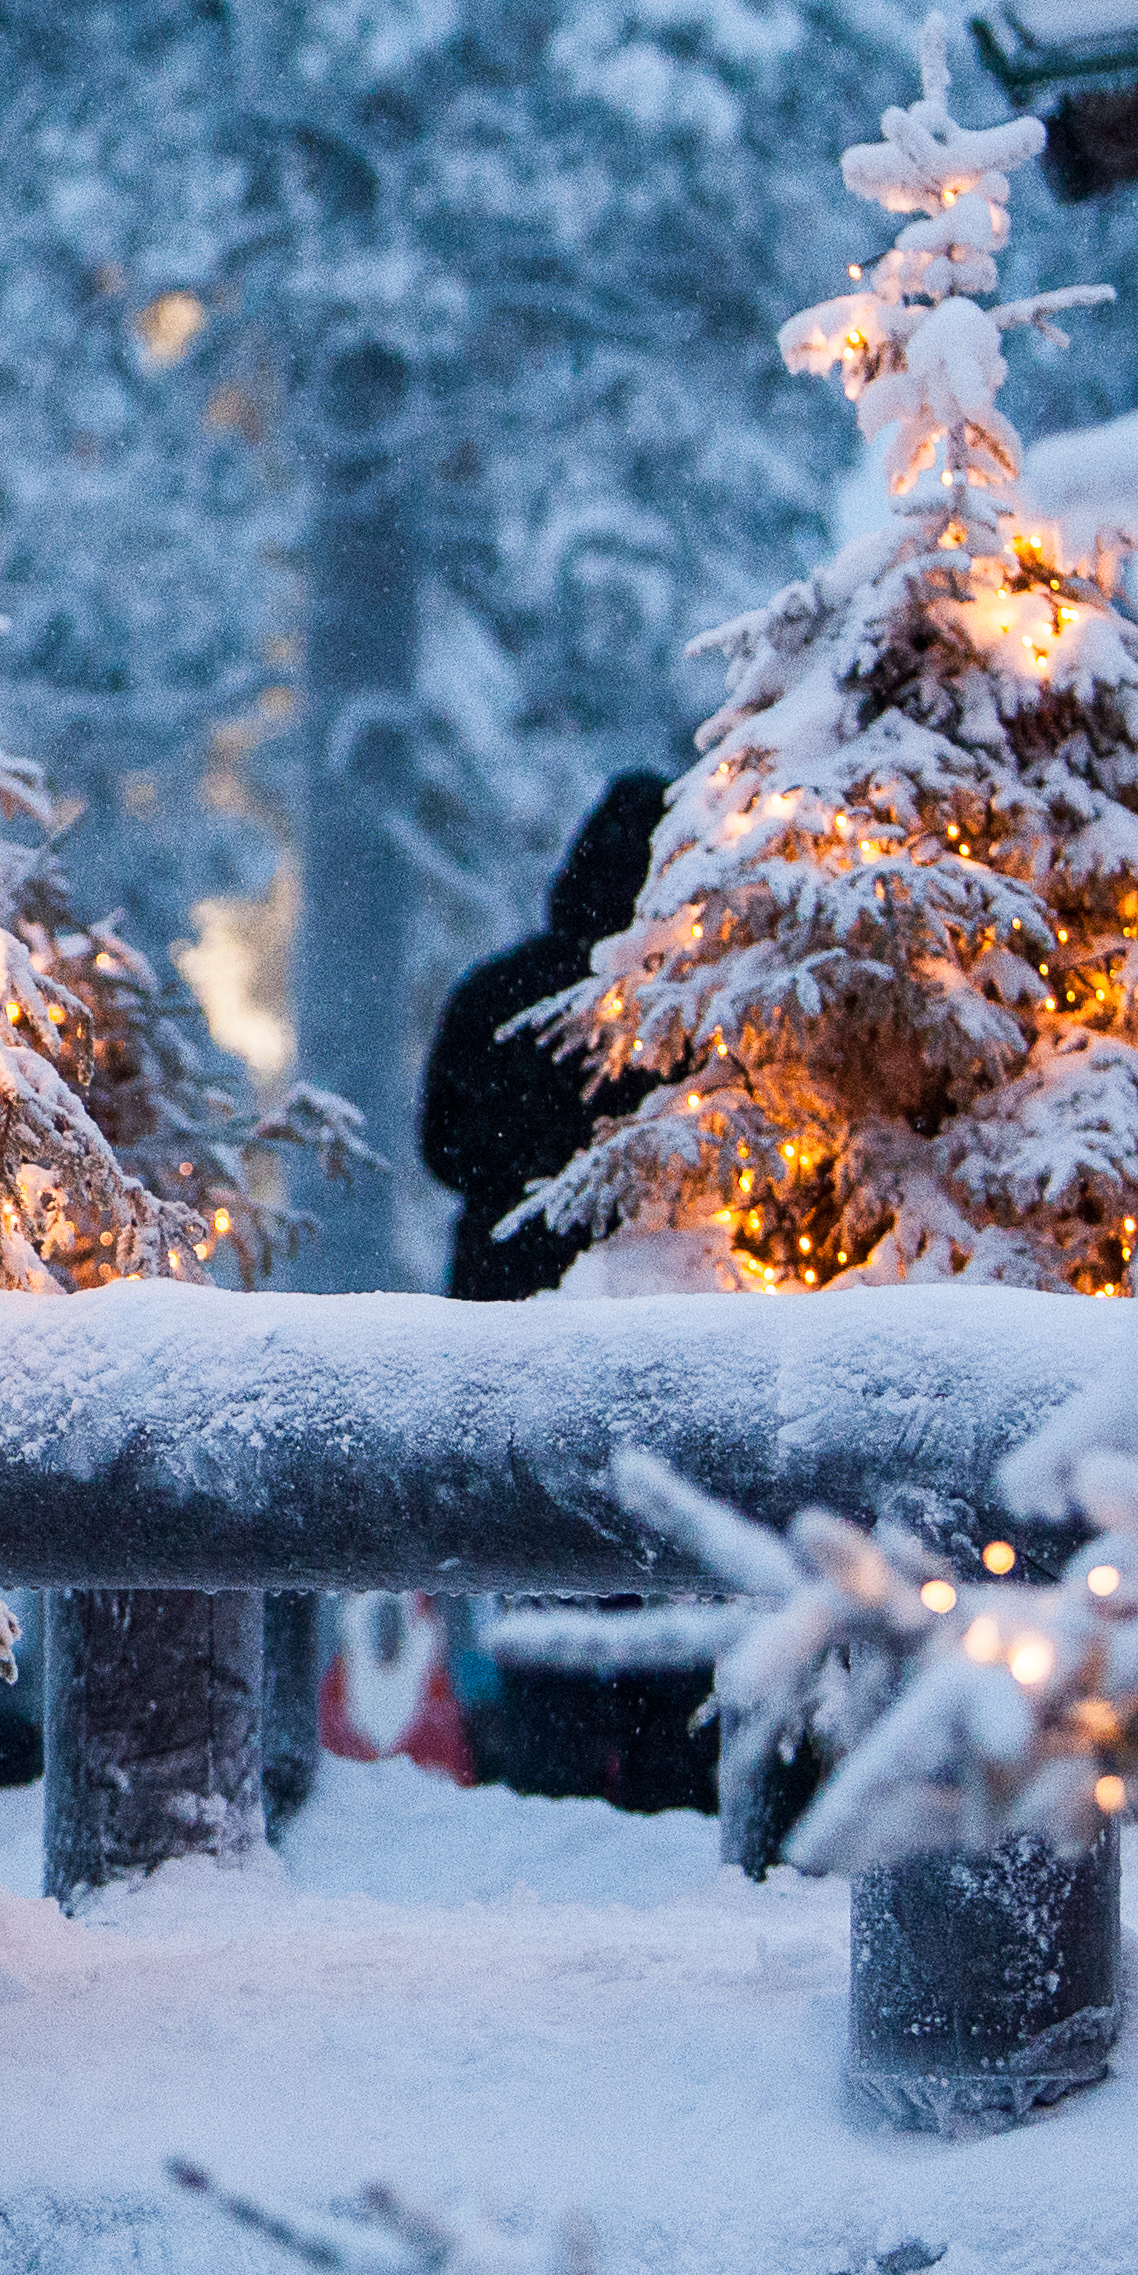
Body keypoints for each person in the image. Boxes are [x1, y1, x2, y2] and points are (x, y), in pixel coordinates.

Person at [414, 769, 719, 1814]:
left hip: (511, 1323)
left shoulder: (498, 992)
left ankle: (546, 1780)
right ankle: (674, 1788)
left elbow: (442, 1147)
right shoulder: (692, 1015)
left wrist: (522, 1179)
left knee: (544, 1547)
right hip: (664, 1322)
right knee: (670, 1554)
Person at [415, 771, 667, 1300]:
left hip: (493, 1278)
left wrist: (507, 1173)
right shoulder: (671, 1011)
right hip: (628, 1284)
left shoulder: (492, 988)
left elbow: (439, 1145)